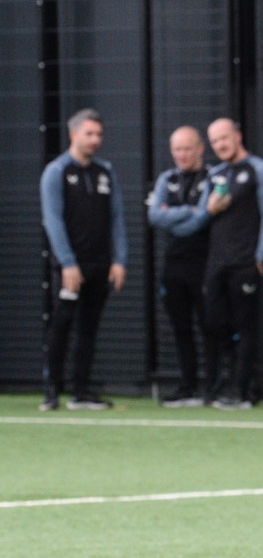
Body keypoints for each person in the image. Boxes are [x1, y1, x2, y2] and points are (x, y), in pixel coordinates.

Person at [39, 108, 126, 410]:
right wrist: (68, 263)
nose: (95, 139)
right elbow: (53, 220)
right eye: (89, 133)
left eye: (99, 134)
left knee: (89, 328)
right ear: (73, 134)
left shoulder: (105, 171)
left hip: (100, 264)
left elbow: (116, 218)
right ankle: (51, 390)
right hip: (70, 269)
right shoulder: (57, 171)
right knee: (61, 326)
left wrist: (119, 260)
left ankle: (81, 391)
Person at [200, 117, 263, 409]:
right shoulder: (216, 175)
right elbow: (201, 216)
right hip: (217, 263)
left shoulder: (260, 170)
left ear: (237, 136)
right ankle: (226, 382)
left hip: (246, 263)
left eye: (224, 138)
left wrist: (262, 255)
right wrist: (209, 209)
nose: (220, 145)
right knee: (215, 323)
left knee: (246, 327)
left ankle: (242, 390)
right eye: (214, 141)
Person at [146, 125, 213, 406]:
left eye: (187, 148)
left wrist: (174, 216)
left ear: (200, 148)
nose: (182, 154)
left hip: (205, 264)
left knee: (210, 327)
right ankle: (187, 386)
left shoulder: (212, 177)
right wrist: (190, 211)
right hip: (174, 266)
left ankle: (212, 387)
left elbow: (202, 220)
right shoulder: (167, 179)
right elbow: (154, 217)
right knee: (180, 328)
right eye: (177, 149)